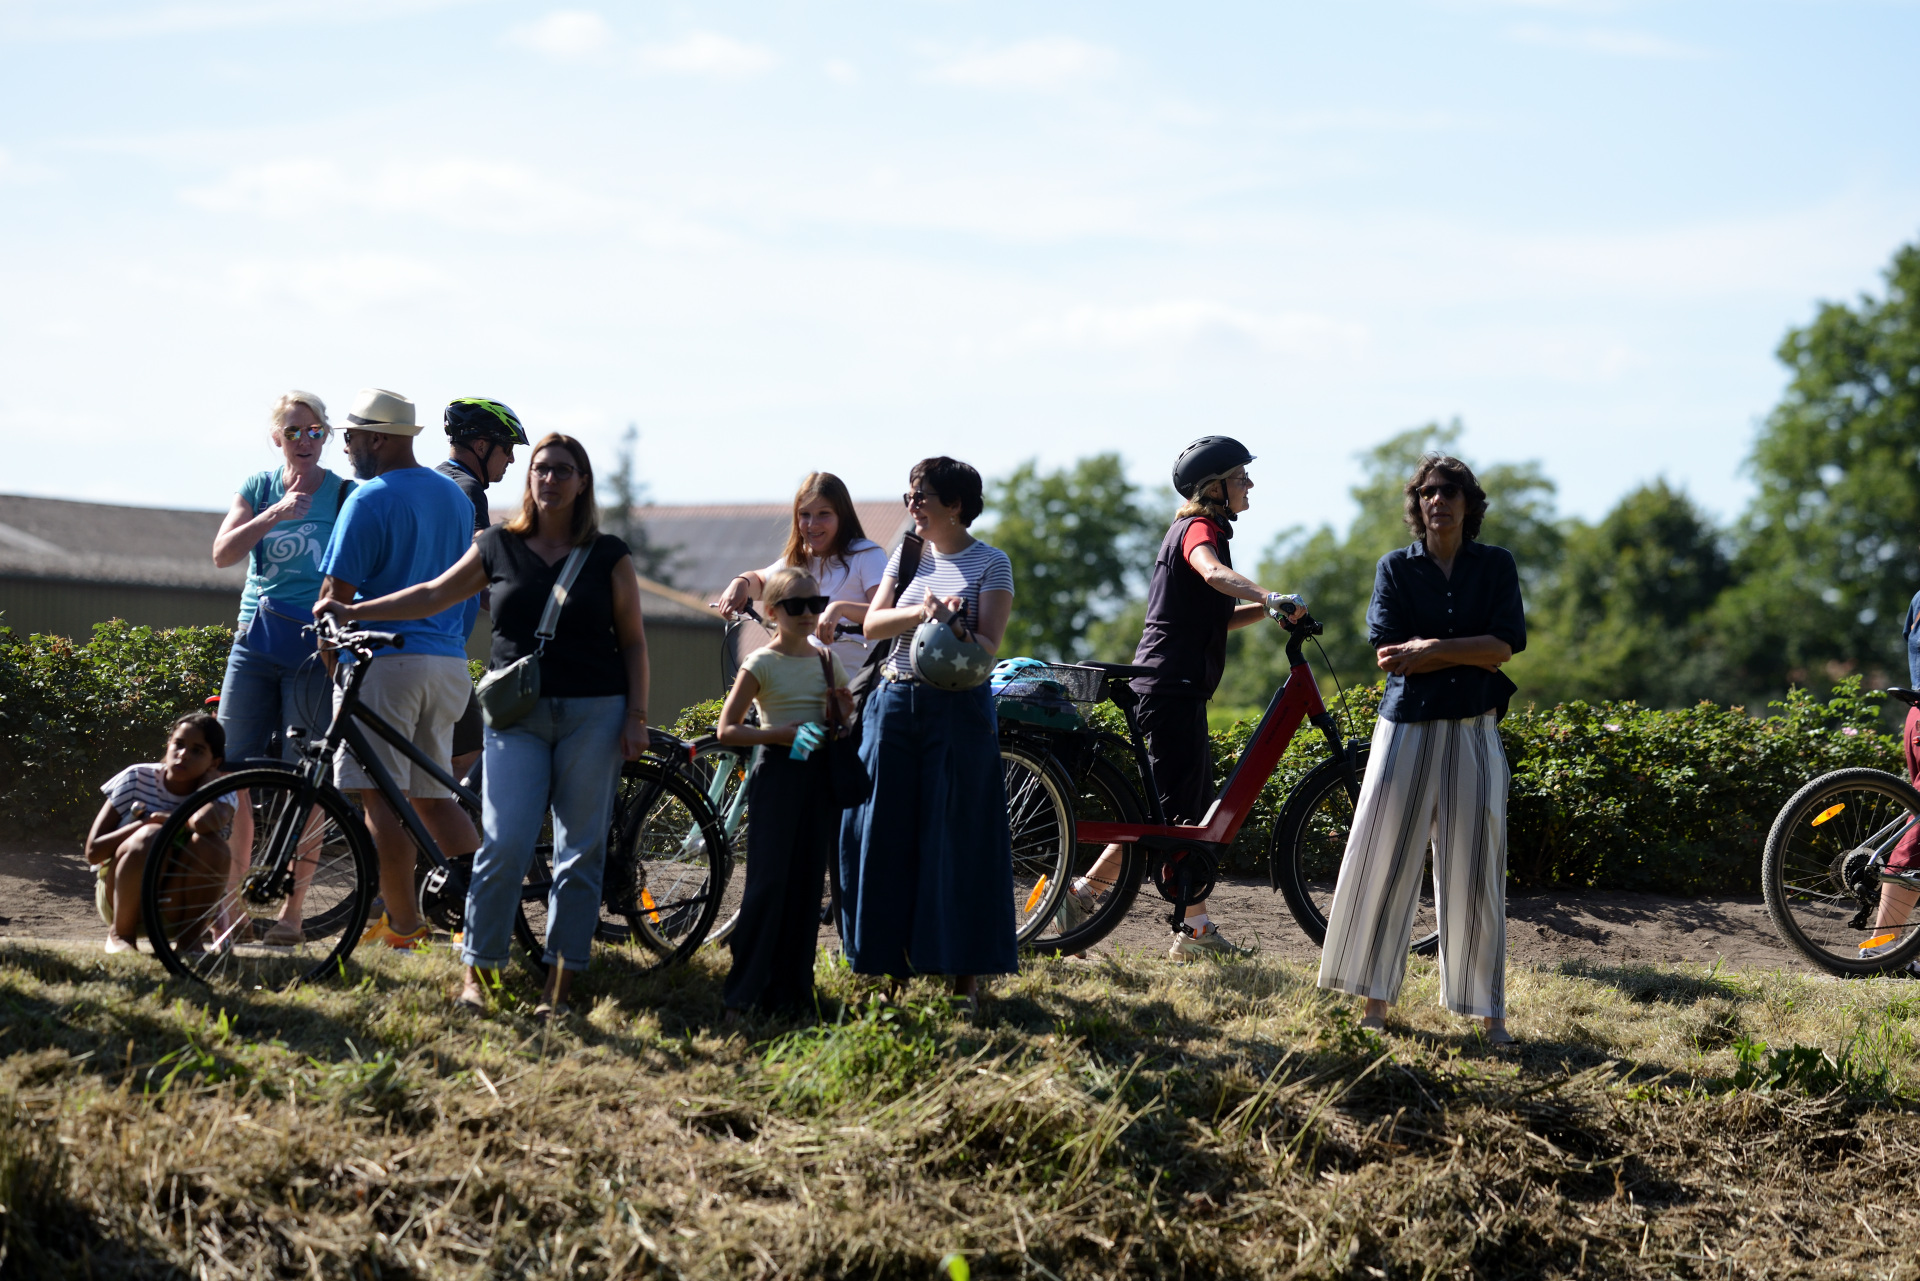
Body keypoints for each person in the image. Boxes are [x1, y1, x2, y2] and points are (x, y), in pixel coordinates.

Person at [319, 433, 650, 1018]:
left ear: (582, 483)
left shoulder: (609, 555)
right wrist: (354, 609)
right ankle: (478, 977)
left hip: (593, 715)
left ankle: (560, 989)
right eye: (541, 469)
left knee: (579, 854)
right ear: (530, 480)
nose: (550, 480)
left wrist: (637, 717)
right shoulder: (496, 544)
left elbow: (633, 642)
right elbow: (431, 595)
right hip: (517, 719)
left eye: (563, 471)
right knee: (503, 845)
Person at [1062, 437, 1305, 959]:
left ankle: (1082, 896)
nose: (1250, 485)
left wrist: (1264, 612)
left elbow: (1216, 612)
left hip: (1176, 688)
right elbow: (1212, 573)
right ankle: (1192, 929)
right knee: (1180, 816)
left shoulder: (1204, 528)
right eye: (1241, 477)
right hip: (1170, 688)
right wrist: (1266, 594)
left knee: (1174, 809)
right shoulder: (1198, 528)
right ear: (1213, 488)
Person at [1316, 453, 1524, 1044]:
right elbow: (1387, 652)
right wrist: (1461, 648)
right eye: (1429, 492)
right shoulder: (1394, 569)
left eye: (1451, 492)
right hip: (1405, 728)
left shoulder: (1497, 567)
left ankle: (1490, 1015)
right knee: (1384, 860)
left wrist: (1429, 648)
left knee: (1478, 869)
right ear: (1418, 504)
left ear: (1469, 504)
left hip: (1475, 728)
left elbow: (1505, 646)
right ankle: (1374, 1003)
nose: (1439, 501)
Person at [840, 456, 1017, 1015]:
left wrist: (958, 624)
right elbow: (872, 624)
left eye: (921, 496)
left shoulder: (993, 563)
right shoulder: (908, 552)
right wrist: (922, 612)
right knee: (882, 837)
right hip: (893, 704)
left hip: (957, 710)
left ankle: (963, 980)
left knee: (959, 839)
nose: (911, 505)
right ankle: (884, 973)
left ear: (955, 505)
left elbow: (989, 647)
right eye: (910, 494)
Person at [313, 388, 482, 951]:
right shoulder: (456, 499)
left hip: (385, 664)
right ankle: (488, 912)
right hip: (448, 665)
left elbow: (334, 595)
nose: (347, 446)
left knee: (379, 798)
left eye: (352, 436)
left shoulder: (368, 498)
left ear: (378, 438)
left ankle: (403, 926)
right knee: (434, 797)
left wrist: (332, 662)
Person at [209, 389, 353, 943]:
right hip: (256, 640)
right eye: (293, 432)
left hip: (315, 649)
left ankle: (291, 915)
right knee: (232, 775)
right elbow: (222, 554)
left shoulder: (344, 494)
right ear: (277, 438)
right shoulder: (259, 487)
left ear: (327, 437)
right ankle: (231, 912)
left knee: (305, 781)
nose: (304, 441)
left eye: (315, 431)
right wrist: (274, 514)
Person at [715, 566, 851, 1018]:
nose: (809, 614)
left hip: (817, 773)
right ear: (772, 612)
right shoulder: (761, 663)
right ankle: (744, 992)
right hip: (777, 773)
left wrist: (842, 715)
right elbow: (728, 729)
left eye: (816, 604)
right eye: (796, 606)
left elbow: (843, 722)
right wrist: (777, 737)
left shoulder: (828, 661)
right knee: (767, 885)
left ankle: (794, 993)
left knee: (807, 887)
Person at [85, 713, 235, 954]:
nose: (183, 754)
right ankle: (121, 935)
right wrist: (145, 823)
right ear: (168, 744)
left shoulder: (221, 791)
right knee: (152, 835)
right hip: (121, 901)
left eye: (197, 751)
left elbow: (203, 823)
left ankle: (189, 941)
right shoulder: (136, 777)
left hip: (178, 910)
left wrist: (206, 787)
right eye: (179, 744)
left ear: (214, 763)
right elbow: (93, 852)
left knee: (212, 845)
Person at [712, 471, 889, 672]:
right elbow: (761, 582)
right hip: (800, 675)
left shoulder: (866, 555)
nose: (813, 524)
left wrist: (839, 609)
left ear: (843, 516)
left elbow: (884, 615)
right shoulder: (798, 560)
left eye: (824, 514)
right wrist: (741, 582)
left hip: (853, 685)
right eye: (805, 515)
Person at [437, 398, 530, 780]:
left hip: (399, 644)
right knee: (470, 765)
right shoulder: (468, 488)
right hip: (439, 651)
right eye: (506, 448)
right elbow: (483, 564)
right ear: (481, 446)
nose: (510, 460)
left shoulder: (435, 480)